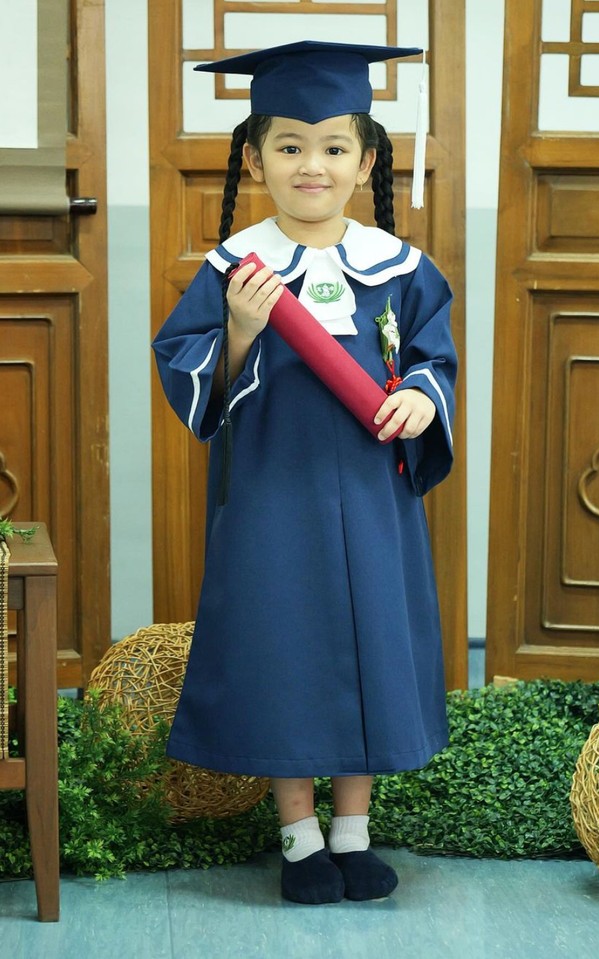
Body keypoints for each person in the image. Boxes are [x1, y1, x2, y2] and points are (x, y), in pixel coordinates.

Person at [152, 40, 457, 906]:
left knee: (368, 646)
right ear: (254, 158)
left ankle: (354, 832)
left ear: (365, 161)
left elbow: (436, 360)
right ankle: (297, 838)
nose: (309, 165)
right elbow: (190, 374)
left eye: (331, 147)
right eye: (288, 146)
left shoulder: (402, 268)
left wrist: (425, 403)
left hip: (372, 500)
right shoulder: (235, 269)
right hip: (272, 502)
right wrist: (244, 330)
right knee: (283, 647)